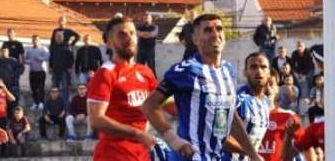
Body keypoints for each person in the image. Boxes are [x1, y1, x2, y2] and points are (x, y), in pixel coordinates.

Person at [142, 13, 262, 161]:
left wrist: (253, 154)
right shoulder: (187, 70)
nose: (215, 34)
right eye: (208, 30)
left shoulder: (228, 70)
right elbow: (149, 105)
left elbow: (228, 116)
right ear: (195, 39)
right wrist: (174, 140)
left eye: (219, 29)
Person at [87, 15, 157, 160]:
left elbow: (164, 106)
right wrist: (137, 133)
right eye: (122, 34)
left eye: (132, 33)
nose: (129, 38)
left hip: (141, 154)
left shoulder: (146, 72)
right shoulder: (105, 74)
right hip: (114, 154)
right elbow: (95, 120)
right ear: (109, 43)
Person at [222, 52, 271, 161]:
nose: (259, 71)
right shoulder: (235, 99)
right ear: (245, 72)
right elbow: (220, 139)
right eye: (253, 67)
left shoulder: (266, 102)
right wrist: (252, 153)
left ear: (269, 73)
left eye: (263, 67)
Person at [257, 87, 305, 161]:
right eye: (265, 84)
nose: (268, 88)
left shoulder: (288, 116)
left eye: (271, 83)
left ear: (277, 90)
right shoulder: (245, 114)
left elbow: (305, 144)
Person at [25, 34, 50, 110]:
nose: (35, 41)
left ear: (39, 40)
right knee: (33, 88)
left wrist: (40, 58)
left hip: (41, 71)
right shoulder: (29, 50)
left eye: (36, 40)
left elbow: (48, 57)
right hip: (32, 71)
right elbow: (25, 59)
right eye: (34, 40)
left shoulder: (43, 48)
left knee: (41, 87)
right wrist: (29, 61)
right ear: (32, 41)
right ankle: (36, 103)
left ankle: (41, 103)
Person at [49, 31, 74, 106]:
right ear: (55, 38)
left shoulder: (67, 45)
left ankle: (65, 103)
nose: (59, 38)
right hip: (55, 70)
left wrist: (70, 67)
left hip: (64, 70)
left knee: (65, 88)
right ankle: (55, 103)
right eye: (57, 37)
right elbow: (51, 58)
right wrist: (50, 67)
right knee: (54, 88)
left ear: (63, 37)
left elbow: (71, 57)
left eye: (60, 37)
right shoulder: (53, 46)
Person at [0, 47, 22, 112]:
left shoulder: (13, 61)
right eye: (2, 51)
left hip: (12, 86)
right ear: (0, 52)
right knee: (2, 103)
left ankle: (11, 119)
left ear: (8, 52)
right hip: (1, 86)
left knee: (12, 103)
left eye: (5, 51)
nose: (4, 52)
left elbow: (21, 68)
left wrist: (14, 74)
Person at [0, 78, 15, 156]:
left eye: (1, 85)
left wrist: (6, 90)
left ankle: (3, 153)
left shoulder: (4, 92)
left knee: (3, 134)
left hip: (3, 117)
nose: (0, 87)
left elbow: (13, 99)